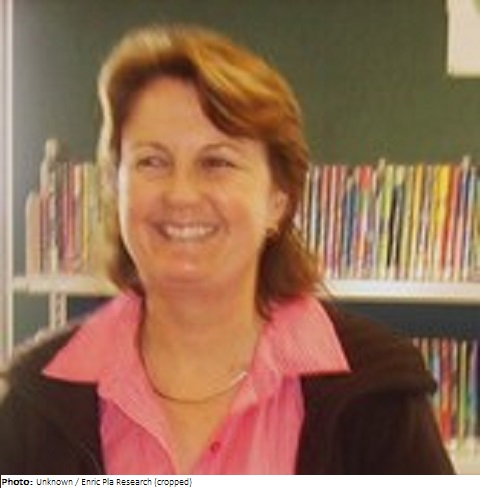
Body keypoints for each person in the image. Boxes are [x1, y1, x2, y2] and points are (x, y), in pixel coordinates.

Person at [0, 24, 454, 474]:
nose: (180, 194)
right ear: (115, 188)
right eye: (151, 161)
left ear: (278, 200)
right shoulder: (39, 400)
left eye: (216, 162)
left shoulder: (376, 395)